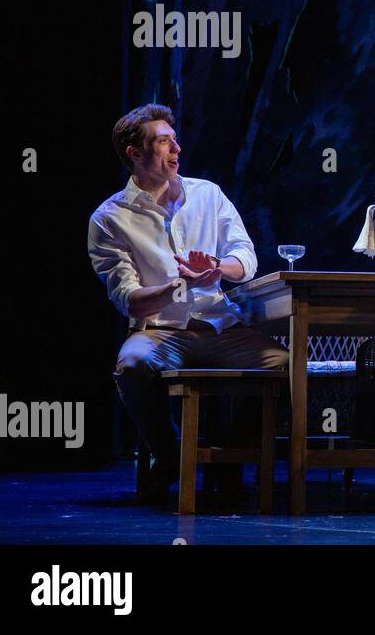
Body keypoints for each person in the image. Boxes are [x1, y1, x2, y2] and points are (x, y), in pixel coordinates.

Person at [87, 104, 287, 504]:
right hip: (162, 332)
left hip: (219, 327)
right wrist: (178, 285)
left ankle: (227, 458)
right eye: (164, 141)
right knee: (132, 366)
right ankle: (171, 454)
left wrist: (217, 267)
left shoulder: (207, 194)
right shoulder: (110, 218)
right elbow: (128, 299)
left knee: (284, 366)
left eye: (175, 140)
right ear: (135, 153)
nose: (176, 148)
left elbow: (245, 258)